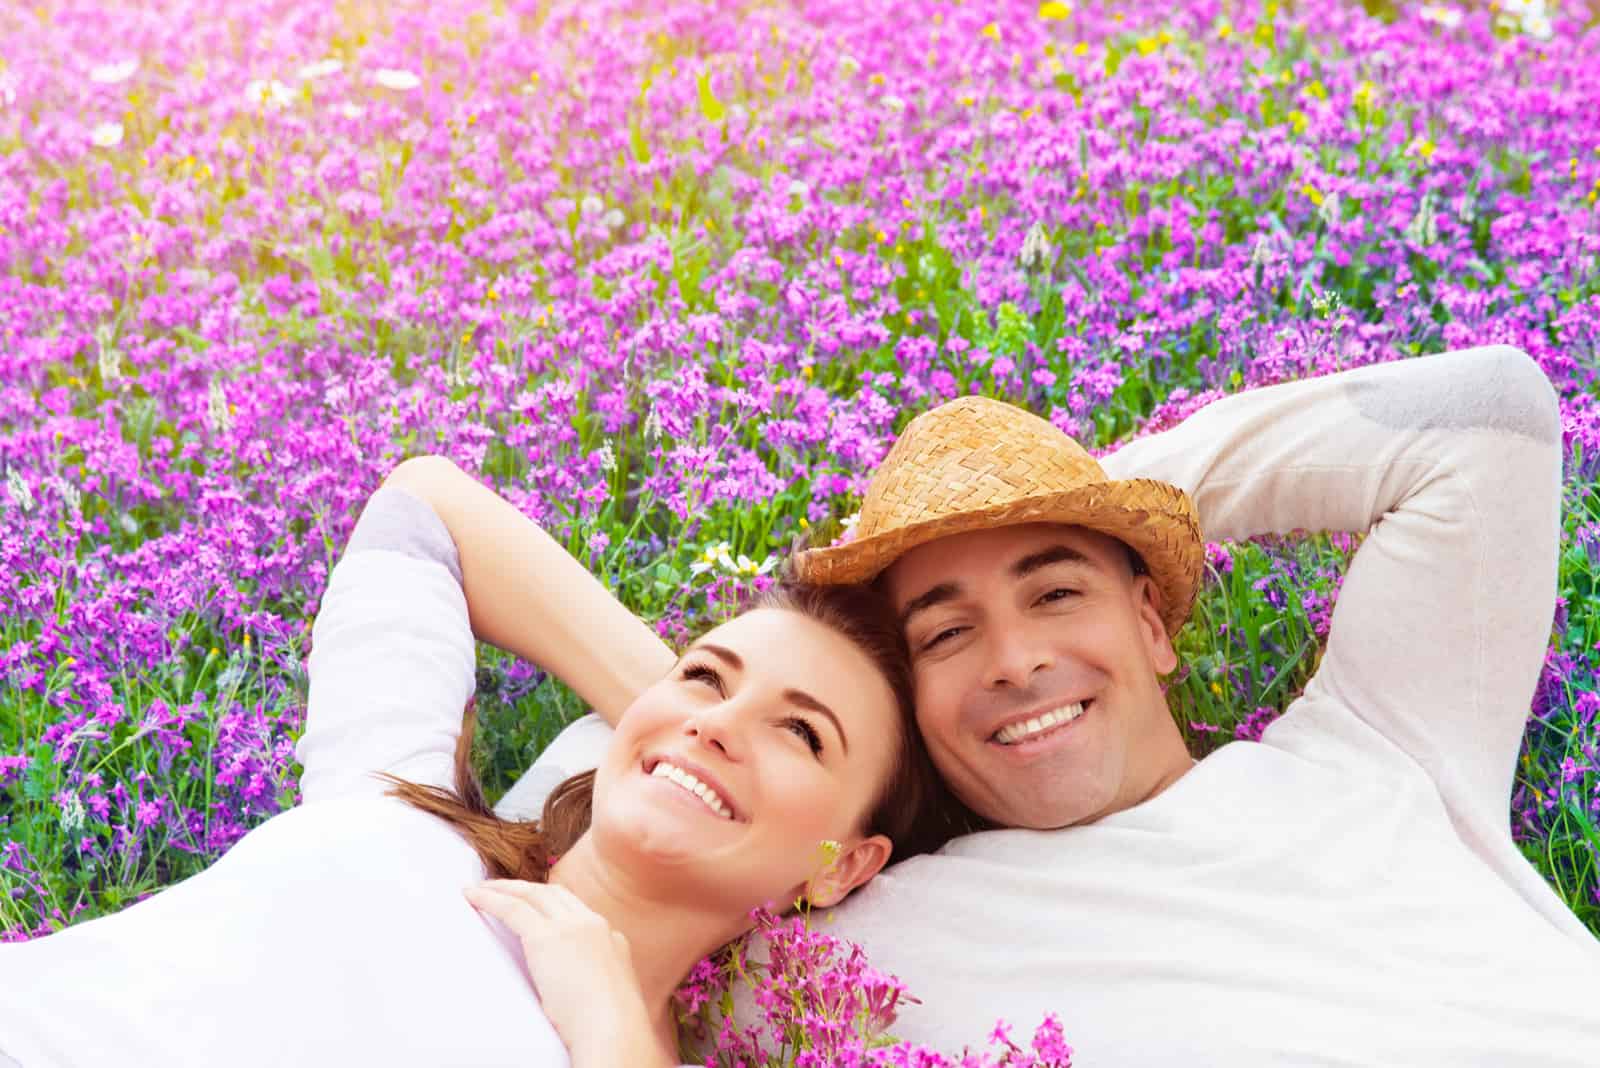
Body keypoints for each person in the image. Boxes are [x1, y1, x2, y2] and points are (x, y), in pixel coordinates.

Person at [495, 345, 1600, 1063]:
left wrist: (1092, 492)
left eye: (1056, 592)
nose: (1016, 660)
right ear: (908, 706)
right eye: (944, 631)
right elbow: (645, 828)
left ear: (1154, 626)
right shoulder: (839, 936)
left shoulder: (1378, 747)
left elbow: (1484, 417)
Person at [0, 466, 951, 1067]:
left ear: (843, 866)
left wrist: (617, 1036)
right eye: (705, 674)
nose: (721, 722)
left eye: (804, 733)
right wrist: (672, 723)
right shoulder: (401, 798)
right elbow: (426, 510)